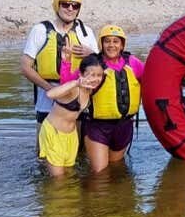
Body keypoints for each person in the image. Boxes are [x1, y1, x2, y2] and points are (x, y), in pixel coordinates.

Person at [60, 24, 144, 173]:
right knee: (99, 174)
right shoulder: (93, 63)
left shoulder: (133, 63)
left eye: (116, 41)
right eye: (107, 41)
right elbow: (67, 87)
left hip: (124, 126)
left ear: (122, 44)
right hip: (97, 127)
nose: (111, 45)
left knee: (115, 169)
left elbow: (153, 81)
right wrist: (66, 63)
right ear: (101, 43)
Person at [20, 0, 98, 142]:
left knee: (75, 151)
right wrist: (50, 88)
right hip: (46, 99)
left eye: (75, 6)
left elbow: (100, 67)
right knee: (44, 152)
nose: (70, 8)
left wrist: (92, 54)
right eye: (65, 4)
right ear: (57, 5)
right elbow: (25, 67)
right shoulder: (40, 30)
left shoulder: (86, 32)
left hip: (77, 99)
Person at [38, 54, 105, 177]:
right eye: (91, 74)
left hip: (71, 136)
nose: (96, 79)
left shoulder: (90, 89)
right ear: (81, 74)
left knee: (69, 175)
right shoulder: (73, 88)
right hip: (54, 133)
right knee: (58, 179)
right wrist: (75, 83)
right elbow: (50, 94)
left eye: (99, 75)